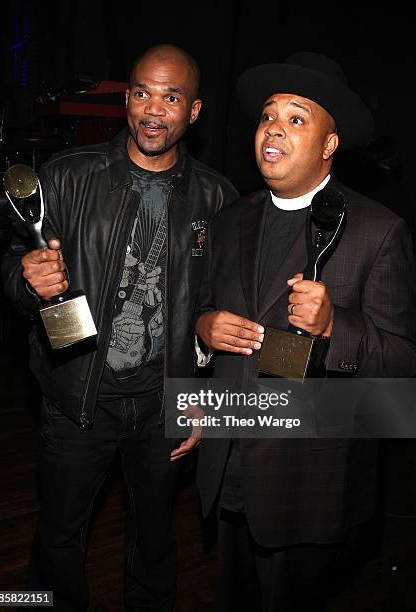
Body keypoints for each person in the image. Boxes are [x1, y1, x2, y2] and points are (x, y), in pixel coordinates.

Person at [2, 43, 238, 611]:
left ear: (195, 111)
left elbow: (215, 310)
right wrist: (25, 279)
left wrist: (200, 400)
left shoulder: (217, 198)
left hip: (162, 403)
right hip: (78, 396)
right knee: (59, 536)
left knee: (156, 539)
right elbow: (14, 265)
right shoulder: (68, 175)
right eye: (141, 93)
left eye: (171, 97)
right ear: (127, 99)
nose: (153, 110)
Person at [195, 52, 416, 611]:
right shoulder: (229, 219)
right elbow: (200, 311)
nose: (274, 127)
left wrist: (335, 326)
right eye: (268, 115)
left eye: (297, 118)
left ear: (329, 144)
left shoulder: (378, 230)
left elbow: (402, 368)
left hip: (309, 480)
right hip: (228, 459)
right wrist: (202, 330)